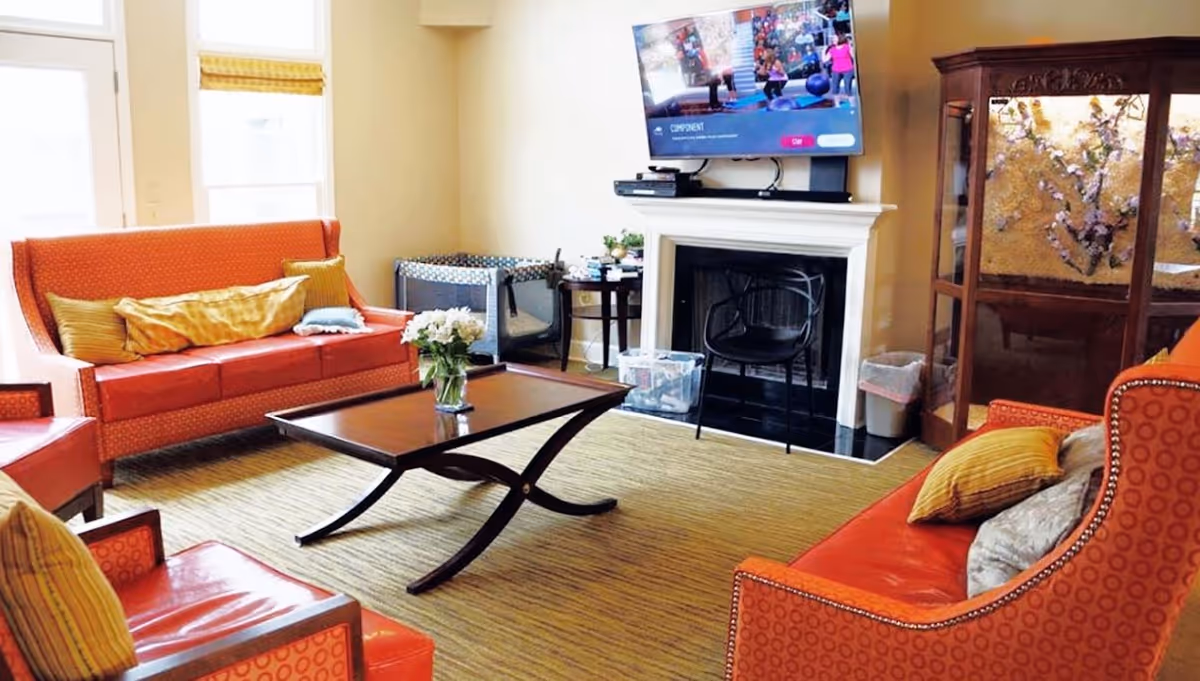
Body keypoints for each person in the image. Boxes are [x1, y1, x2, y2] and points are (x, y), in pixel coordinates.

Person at [826, 33, 855, 105]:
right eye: (833, 39)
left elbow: (854, 57)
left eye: (835, 38)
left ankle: (852, 104)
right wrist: (824, 51)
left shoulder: (847, 47)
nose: (833, 40)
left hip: (848, 69)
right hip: (836, 70)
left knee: (847, 88)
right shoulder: (832, 49)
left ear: (840, 39)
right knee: (835, 88)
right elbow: (825, 60)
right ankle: (837, 105)